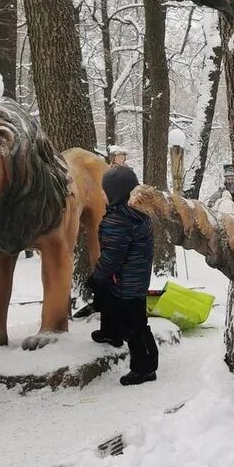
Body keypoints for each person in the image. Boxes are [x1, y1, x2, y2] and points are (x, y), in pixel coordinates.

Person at [89, 164, 158, 386]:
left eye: (105, 190)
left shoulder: (118, 220)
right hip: (134, 277)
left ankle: (145, 368)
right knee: (110, 302)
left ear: (115, 194)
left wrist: (97, 276)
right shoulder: (139, 214)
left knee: (135, 325)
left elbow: (111, 258)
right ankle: (111, 333)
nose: (102, 194)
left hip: (125, 280)